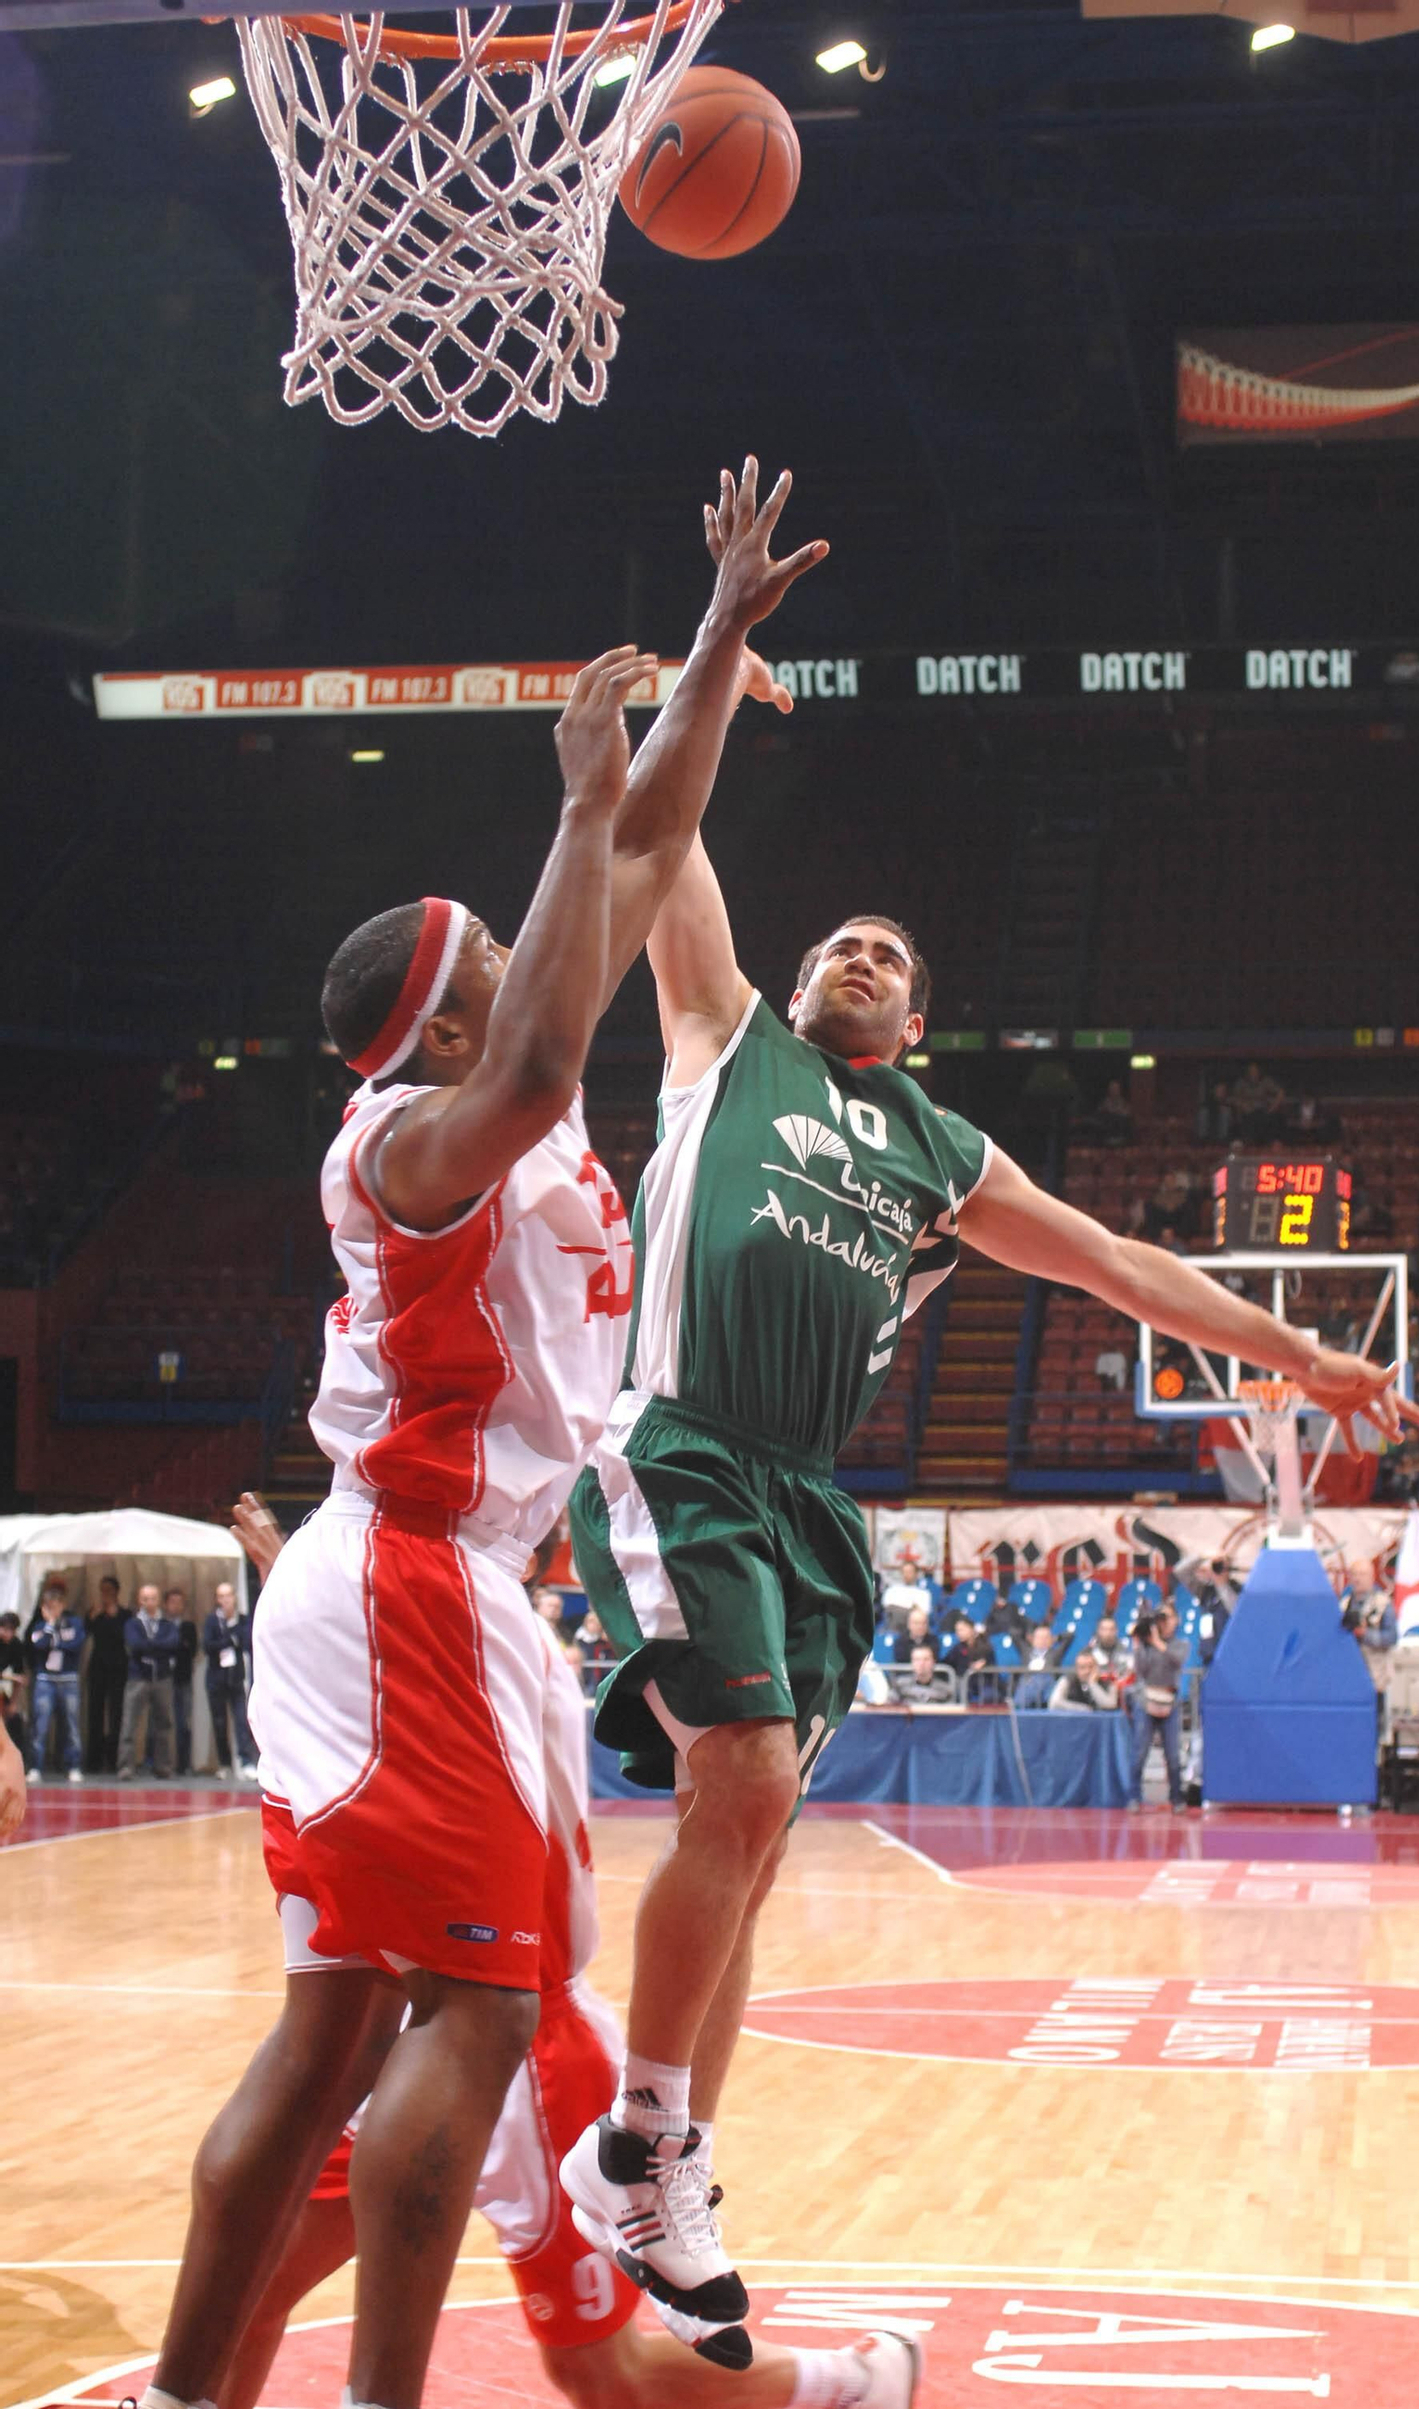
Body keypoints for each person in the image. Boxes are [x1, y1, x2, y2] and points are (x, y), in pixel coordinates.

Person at [561, 515, 1419, 2341]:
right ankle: (633, 2134)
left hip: (813, 1498)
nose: (856, 949)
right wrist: (712, 639)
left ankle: (677, 2150)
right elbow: (661, 832)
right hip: (690, 1439)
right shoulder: (728, 1037)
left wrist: (1311, 1357)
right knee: (742, 1782)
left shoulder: (941, 1152)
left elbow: (1120, 1264)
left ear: (922, 1014)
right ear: (796, 986)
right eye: (841, 938)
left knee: (766, 1819)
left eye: (886, 949)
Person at [141, 461, 827, 2409]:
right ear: (447, 1024)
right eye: (499, 975)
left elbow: (649, 838)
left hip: (434, 1592)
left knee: (345, 2044)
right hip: (406, 1588)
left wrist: (706, 644)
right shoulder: (423, 1140)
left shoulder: (474, 1101)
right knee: (467, 2015)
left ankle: (200, 2394)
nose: (549, 979)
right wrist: (563, 790)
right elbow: (541, 1020)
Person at [214, 1496, 920, 2409]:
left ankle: (853, 2386)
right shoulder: (436, 1617)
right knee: (252, 2282)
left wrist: (302, 1580)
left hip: (527, 2045)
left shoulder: (497, 1641)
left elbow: (394, 1675)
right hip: (408, 2032)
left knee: (596, 2371)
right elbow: (377, 1663)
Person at [1127, 1602, 1186, 1810]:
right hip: (1147, 1700)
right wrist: (1138, 1646)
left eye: (1166, 1617)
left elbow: (1177, 1661)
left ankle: (1177, 1797)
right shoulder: (1145, 1645)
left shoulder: (1180, 1644)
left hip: (1170, 1700)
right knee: (1139, 1751)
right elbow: (1141, 1670)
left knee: (1173, 1755)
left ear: (1175, 1620)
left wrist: (1159, 1642)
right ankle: (1134, 1796)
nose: (1162, 1621)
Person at [118, 1581, 179, 1778]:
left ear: (158, 1600)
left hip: (162, 1678)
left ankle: (163, 1766)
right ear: (139, 1600)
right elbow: (135, 1645)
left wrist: (150, 1646)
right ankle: (126, 1766)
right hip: (138, 1678)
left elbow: (172, 1644)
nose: (149, 1602)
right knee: (129, 1724)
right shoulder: (132, 1623)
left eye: (152, 1598)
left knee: (164, 1724)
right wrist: (157, 1647)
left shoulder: (167, 1624)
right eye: (145, 1598)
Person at [27, 1578, 85, 1785]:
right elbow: (40, 1645)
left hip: (68, 1679)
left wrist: (56, 1641)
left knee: (71, 1725)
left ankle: (74, 1766)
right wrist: (50, 1625)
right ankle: (35, 1766)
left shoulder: (74, 1622)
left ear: (63, 1604)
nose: (53, 1609)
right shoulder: (40, 1626)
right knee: (40, 1725)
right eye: (48, 1606)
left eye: (56, 1605)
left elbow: (76, 1645)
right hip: (45, 1680)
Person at [203, 1580, 256, 1781]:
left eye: (228, 1595)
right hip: (216, 1680)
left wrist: (230, 1637)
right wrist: (229, 1639)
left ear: (234, 1597)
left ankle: (246, 1761)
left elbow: (245, 1641)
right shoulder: (212, 1621)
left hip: (236, 1679)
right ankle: (224, 1764)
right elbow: (209, 1645)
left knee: (242, 1721)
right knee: (219, 1723)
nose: (225, 1600)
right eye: (221, 1596)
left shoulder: (243, 1620)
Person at [85, 1572, 130, 1774]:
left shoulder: (125, 1614)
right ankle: (93, 1760)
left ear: (117, 1592)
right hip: (97, 1668)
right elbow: (86, 1633)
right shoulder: (95, 1612)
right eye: (102, 1591)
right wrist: (93, 1617)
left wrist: (113, 1616)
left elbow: (125, 1637)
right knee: (95, 1714)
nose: (105, 1594)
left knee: (116, 1714)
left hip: (118, 1668)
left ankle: (114, 1759)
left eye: (109, 1591)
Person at [166, 1586, 197, 1775]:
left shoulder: (188, 1627)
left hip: (183, 1678)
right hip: (162, 1678)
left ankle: (183, 1763)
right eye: (172, 1602)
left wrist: (175, 1645)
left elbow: (191, 1650)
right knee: (160, 1722)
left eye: (179, 1602)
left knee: (183, 1721)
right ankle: (157, 1762)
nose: (175, 1606)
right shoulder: (161, 1624)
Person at [0, 1608, 28, 1769]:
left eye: (12, 1630)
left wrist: (13, 1703)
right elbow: (14, 1677)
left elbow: (20, 1676)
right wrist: (10, 1678)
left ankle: (18, 1765)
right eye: (4, 1629)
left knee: (15, 1721)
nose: (7, 1634)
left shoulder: (16, 1645)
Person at [1013, 1622, 1066, 1708]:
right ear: (1032, 1639)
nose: (1043, 1640)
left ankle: (1021, 1704)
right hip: (1028, 1682)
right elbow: (1014, 1633)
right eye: (1039, 1637)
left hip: (1047, 1684)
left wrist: (1057, 1638)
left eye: (1046, 1638)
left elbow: (1069, 1636)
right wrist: (1027, 1634)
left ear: (1051, 1640)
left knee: (1042, 1678)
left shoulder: (1055, 1653)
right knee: (1029, 1682)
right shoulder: (1026, 1651)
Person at [888, 1642, 954, 1706]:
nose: (921, 1664)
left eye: (926, 1659)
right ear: (912, 1662)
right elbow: (890, 1709)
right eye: (917, 1660)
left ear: (933, 1662)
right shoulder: (899, 1686)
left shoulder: (945, 1690)